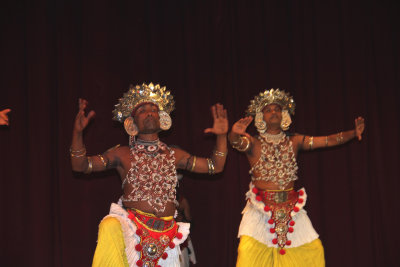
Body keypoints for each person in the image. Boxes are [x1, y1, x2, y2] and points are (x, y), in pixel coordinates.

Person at [70, 83, 228, 267]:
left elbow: (214, 166)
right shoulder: (122, 154)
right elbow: (80, 165)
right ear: (132, 122)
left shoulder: (175, 155)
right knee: (110, 225)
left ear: (163, 119)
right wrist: (77, 134)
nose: (150, 112)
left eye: (154, 109)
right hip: (132, 230)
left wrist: (222, 137)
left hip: (167, 235)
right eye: (143, 110)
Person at [229, 89, 365, 267]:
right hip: (259, 209)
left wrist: (353, 133)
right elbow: (236, 142)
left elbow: (327, 140)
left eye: (277, 109)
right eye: (268, 110)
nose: (274, 112)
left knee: (314, 250)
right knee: (247, 254)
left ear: (284, 114)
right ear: (260, 117)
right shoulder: (253, 143)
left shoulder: (295, 141)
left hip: (291, 208)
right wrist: (233, 133)